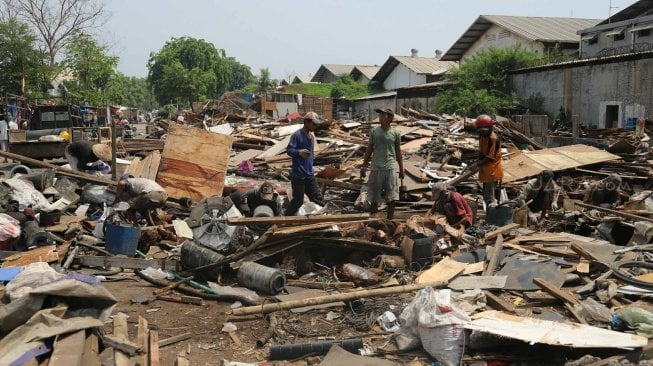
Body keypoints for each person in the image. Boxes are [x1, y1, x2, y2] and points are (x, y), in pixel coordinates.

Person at [361, 108, 404, 219]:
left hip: (390, 168)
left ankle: (390, 220)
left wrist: (401, 169)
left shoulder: (395, 133)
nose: (380, 117)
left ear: (390, 118)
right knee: (374, 198)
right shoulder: (374, 132)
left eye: (382, 115)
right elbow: (369, 150)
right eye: (379, 115)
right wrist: (364, 166)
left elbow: (398, 152)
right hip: (376, 168)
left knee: (391, 197)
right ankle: (374, 220)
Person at [284, 111, 325, 216]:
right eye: (313, 124)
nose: (315, 126)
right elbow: (289, 150)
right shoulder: (297, 135)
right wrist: (298, 152)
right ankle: (285, 218)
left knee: (317, 198)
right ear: (306, 122)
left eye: (316, 124)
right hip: (298, 175)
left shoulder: (311, 137)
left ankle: (320, 218)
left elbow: (310, 155)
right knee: (298, 200)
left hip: (309, 174)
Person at [476, 115, 503, 208]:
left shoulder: (493, 138)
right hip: (485, 169)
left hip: (492, 170)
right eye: (480, 131)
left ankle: (492, 218)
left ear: (490, 128)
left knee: (489, 198)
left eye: (484, 131)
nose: (482, 133)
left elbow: (490, 157)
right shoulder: (482, 135)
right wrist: (478, 161)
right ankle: (490, 215)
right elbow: (481, 151)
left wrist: (478, 164)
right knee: (486, 196)